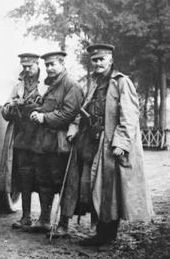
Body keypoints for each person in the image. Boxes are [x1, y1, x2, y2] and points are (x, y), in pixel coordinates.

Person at [56, 44, 154, 245]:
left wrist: (122, 142)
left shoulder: (121, 82)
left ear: (110, 60)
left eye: (102, 59)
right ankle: (100, 232)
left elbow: (129, 115)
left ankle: (107, 235)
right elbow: (82, 109)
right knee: (93, 187)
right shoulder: (93, 83)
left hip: (111, 144)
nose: (98, 63)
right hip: (92, 142)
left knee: (110, 190)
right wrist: (74, 127)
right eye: (94, 60)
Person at [26, 51, 83, 233]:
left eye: (53, 64)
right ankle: (44, 220)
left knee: (63, 183)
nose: (49, 68)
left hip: (61, 143)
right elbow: (49, 106)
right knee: (44, 181)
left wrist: (44, 117)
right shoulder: (50, 85)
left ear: (62, 63)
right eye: (47, 65)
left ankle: (63, 225)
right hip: (44, 143)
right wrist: (37, 110)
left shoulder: (71, 85)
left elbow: (69, 113)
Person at [0, 53, 44, 229]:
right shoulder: (17, 87)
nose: (27, 70)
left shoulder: (46, 86)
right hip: (21, 135)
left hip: (40, 136)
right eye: (24, 67)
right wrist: (12, 106)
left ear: (37, 66)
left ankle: (44, 218)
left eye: (30, 66)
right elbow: (5, 110)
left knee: (42, 177)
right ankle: (26, 216)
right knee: (24, 175)